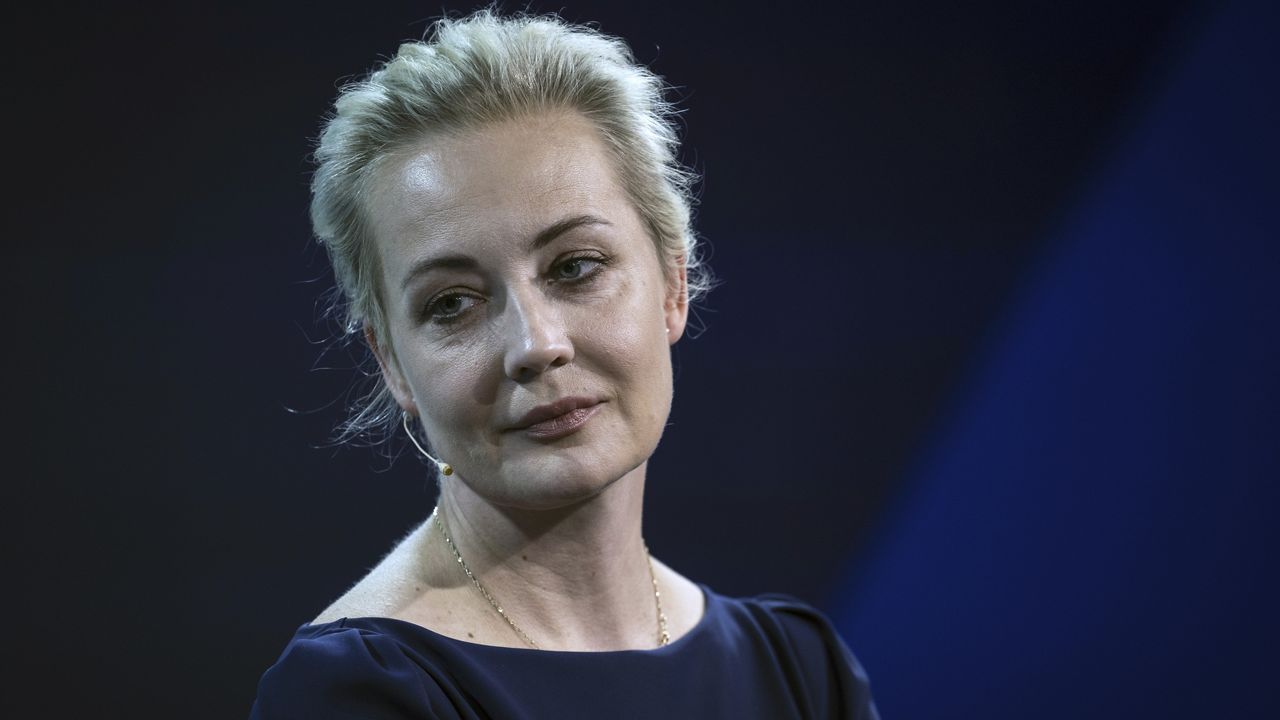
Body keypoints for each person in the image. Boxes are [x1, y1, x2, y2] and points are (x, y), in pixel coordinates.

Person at [250, 9, 878, 719]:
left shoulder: (799, 671)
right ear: (392, 362)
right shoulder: (358, 696)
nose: (535, 344)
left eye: (576, 266)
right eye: (452, 304)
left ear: (673, 285)